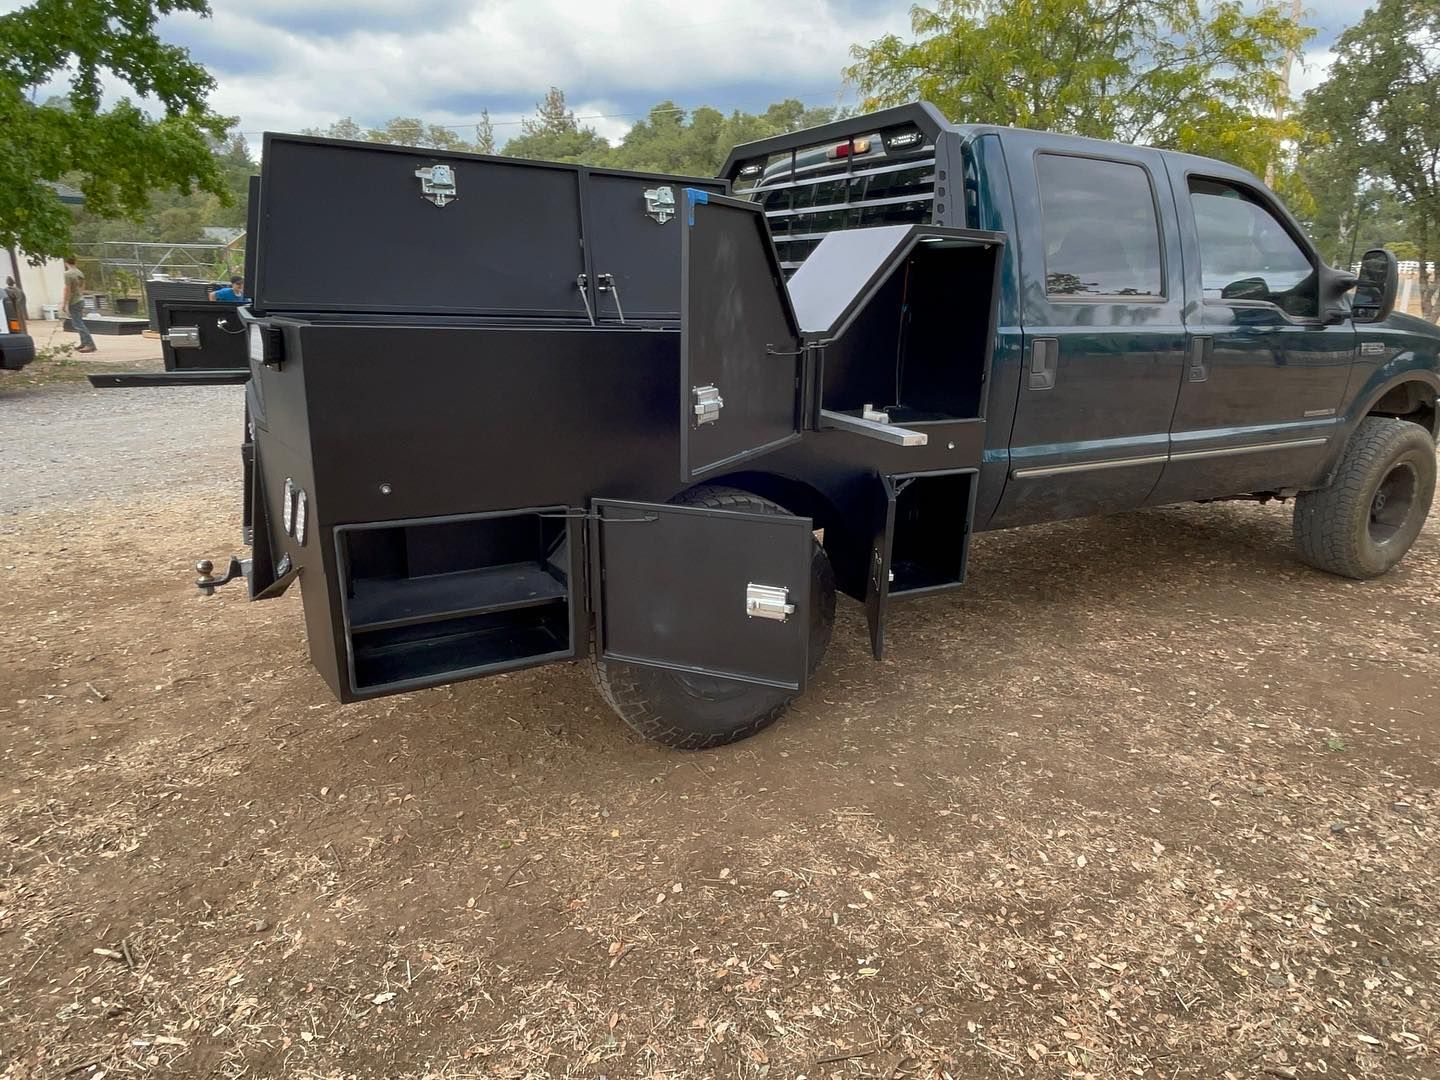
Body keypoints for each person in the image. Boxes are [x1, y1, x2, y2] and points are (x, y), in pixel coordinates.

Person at [62, 257, 95, 352]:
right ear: (75, 262)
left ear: (65, 262)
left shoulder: (67, 274)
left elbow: (67, 289)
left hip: (74, 301)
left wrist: (65, 303)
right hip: (80, 299)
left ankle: (90, 344)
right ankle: (84, 343)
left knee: (78, 324)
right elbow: (82, 287)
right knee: (78, 321)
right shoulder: (79, 272)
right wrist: (80, 295)